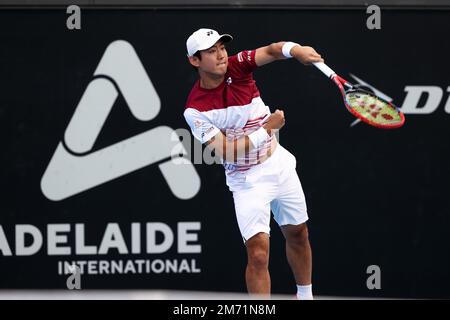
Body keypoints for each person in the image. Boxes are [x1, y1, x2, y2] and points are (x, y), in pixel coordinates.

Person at [183, 28, 323, 300]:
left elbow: (272, 50)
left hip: (277, 164)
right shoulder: (195, 109)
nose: (221, 55)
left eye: (222, 48)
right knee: (258, 253)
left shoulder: (239, 65)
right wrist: (266, 130)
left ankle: (305, 297)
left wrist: (297, 51)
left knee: (299, 234)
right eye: (211, 52)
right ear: (195, 61)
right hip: (246, 179)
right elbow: (228, 153)